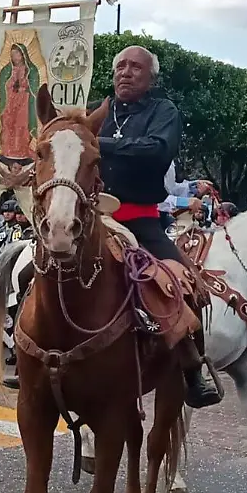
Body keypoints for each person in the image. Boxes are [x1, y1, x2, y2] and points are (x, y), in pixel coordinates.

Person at [93, 45, 220, 408]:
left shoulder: (164, 112)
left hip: (142, 220)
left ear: (151, 77)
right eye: (120, 66)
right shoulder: (99, 112)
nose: (125, 72)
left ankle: (193, 371)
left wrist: (101, 144)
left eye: (135, 67)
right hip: (95, 217)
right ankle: (32, 356)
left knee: (184, 283)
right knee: (41, 267)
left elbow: (156, 150)